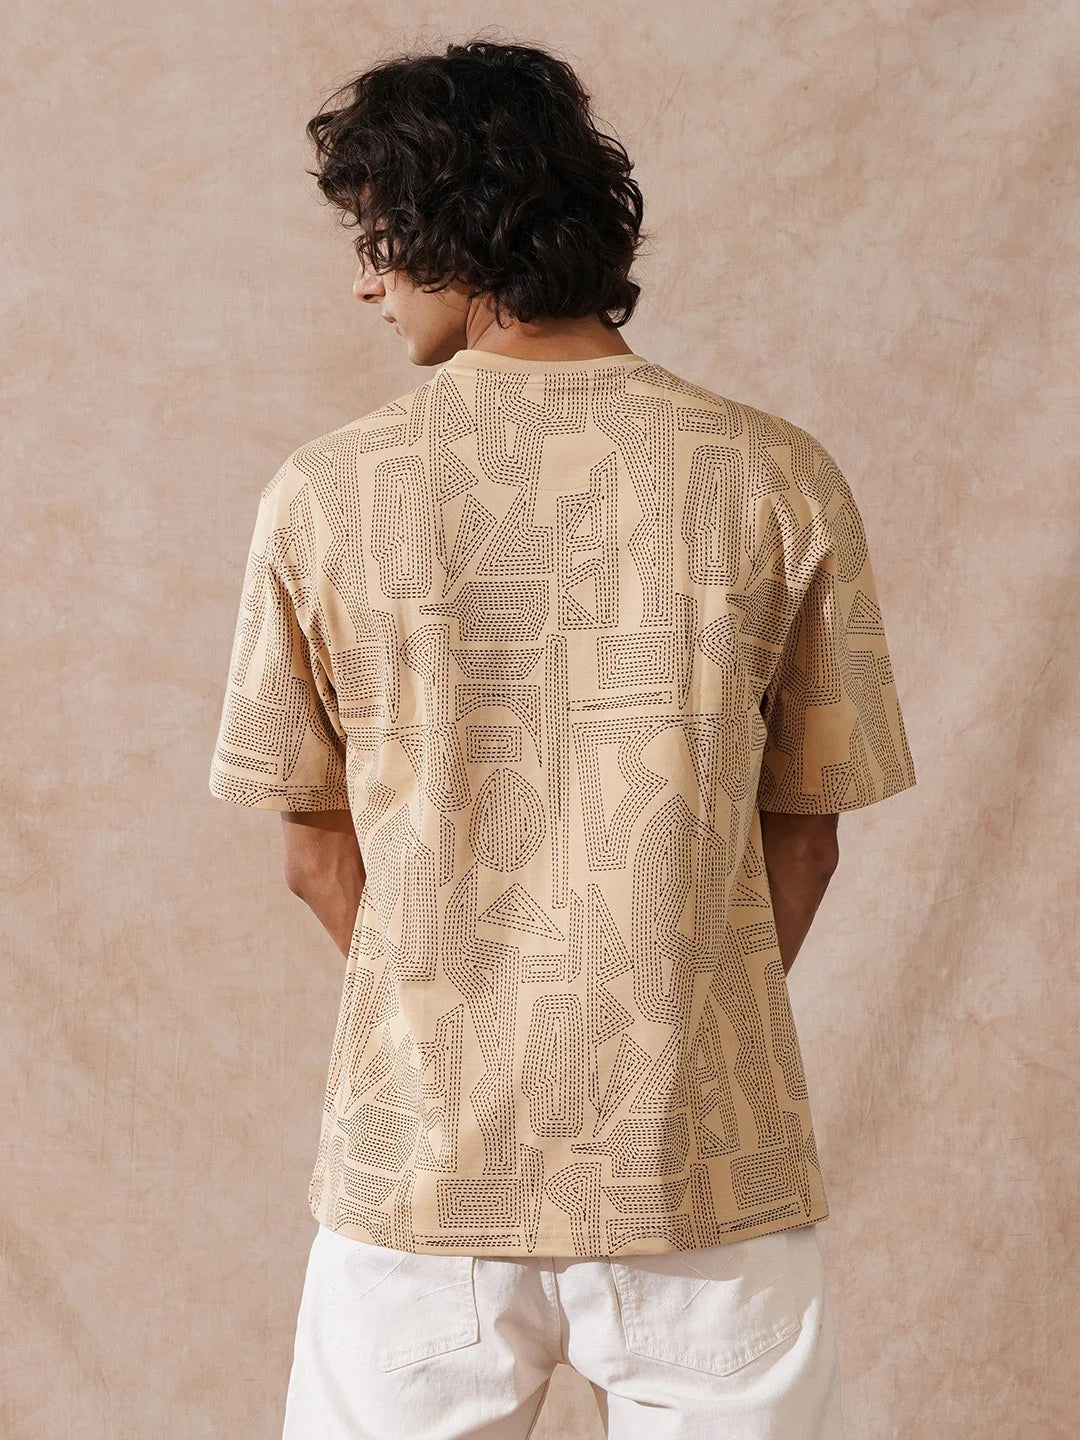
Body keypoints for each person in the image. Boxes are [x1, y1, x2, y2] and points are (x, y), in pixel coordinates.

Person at [208, 36, 917, 1440]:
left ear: (457, 227)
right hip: (699, 1162)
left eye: (378, 236)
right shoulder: (777, 477)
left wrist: (470, 1023)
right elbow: (808, 836)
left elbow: (312, 853)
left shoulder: (328, 495)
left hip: (426, 1171)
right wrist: (663, 1016)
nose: (366, 280)